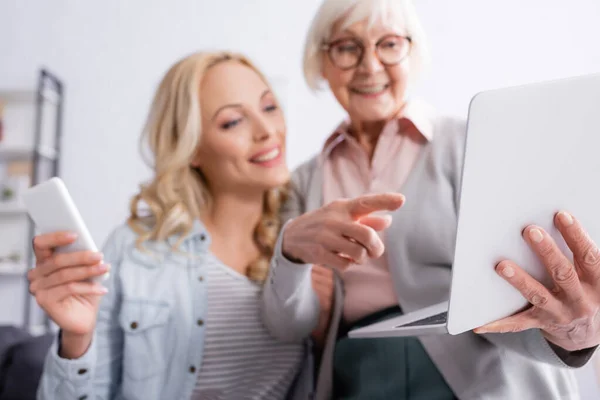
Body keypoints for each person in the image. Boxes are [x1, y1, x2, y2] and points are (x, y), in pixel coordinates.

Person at [261, 0, 600, 399]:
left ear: (413, 52)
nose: (370, 66)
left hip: (482, 367)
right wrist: (290, 253)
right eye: (347, 48)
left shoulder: (472, 142)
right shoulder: (303, 180)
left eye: (388, 44)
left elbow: (515, 293)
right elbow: (288, 325)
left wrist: (569, 337)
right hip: (359, 373)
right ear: (322, 61)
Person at [28, 51, 327, 400]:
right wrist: (76, 340)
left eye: (269, 107)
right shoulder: (134, 250)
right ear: (192, 148)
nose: (266, 131)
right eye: (232, 121)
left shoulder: (304, 246)